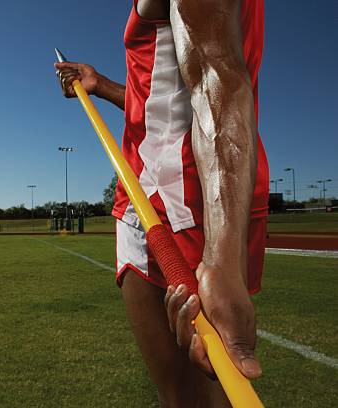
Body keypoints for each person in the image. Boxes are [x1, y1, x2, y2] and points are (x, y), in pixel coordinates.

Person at [55, 0, 269, 406]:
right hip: (153, 193)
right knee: (181, 394)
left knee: (198, 395)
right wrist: (98, 83)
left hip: (184, 202)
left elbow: (214, 78)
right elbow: (159, 98)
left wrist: (222, 261)